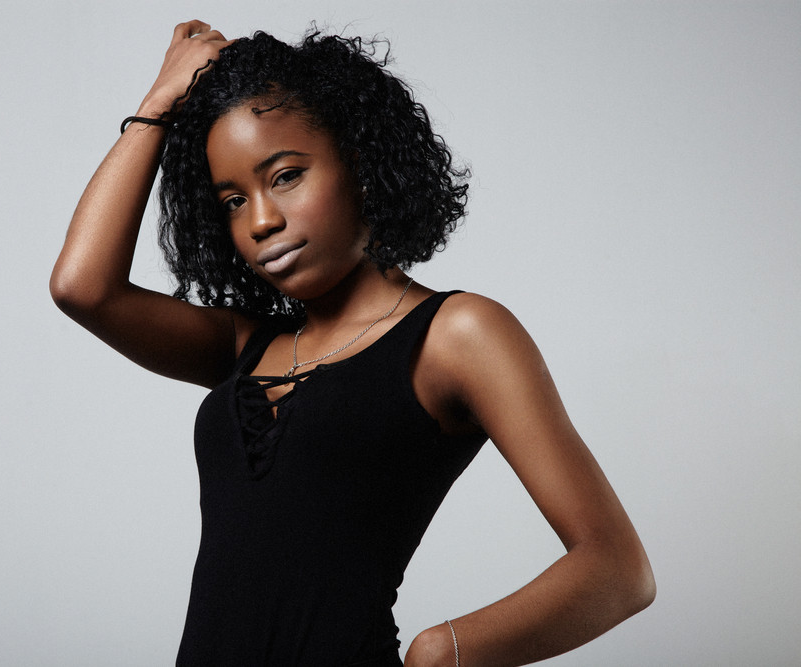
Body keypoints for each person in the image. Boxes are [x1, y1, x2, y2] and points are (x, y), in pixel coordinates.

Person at [50, 20, 655, 667]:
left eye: (284, 175)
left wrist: (442, 652)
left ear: (359, 158)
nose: (259, 220)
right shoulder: (245, 343)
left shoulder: (456, 334)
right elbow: (83, 286)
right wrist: (158, 104)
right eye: (232, 198)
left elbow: (618, 567)